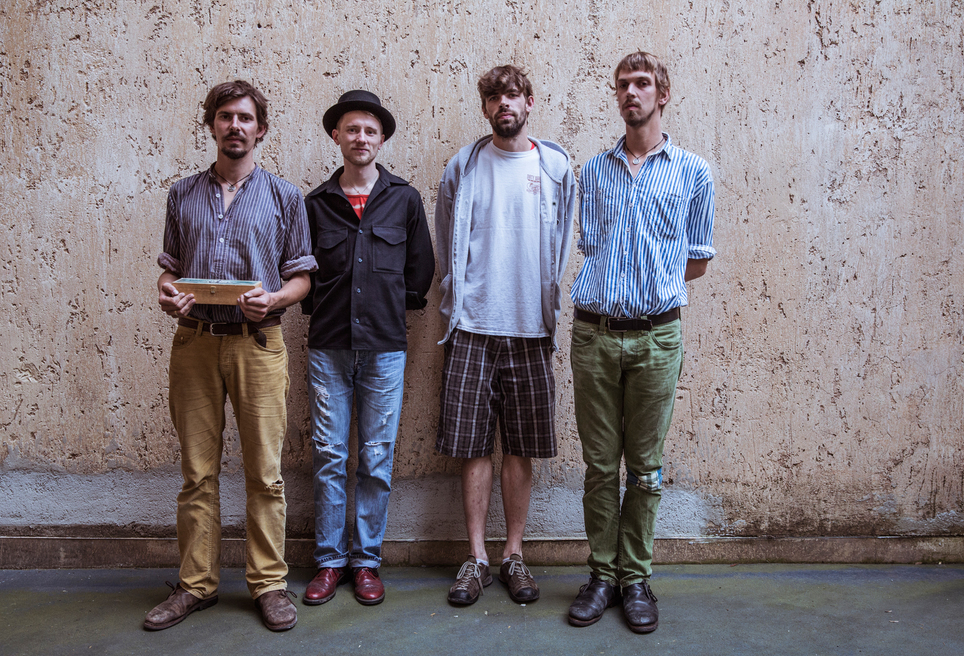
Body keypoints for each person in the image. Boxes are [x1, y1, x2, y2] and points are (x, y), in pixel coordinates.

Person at [145, 80, 317, 632]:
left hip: (258, 344)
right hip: (194, 342)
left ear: (260, 129)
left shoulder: (286, 197)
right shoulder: (182, 194)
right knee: (197, 473)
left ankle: (268, 584)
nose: (234, 126)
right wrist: (168, 292)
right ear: (212, 125)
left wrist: (275, 299)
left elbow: (302, 277)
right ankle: (196, 584)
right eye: (225, 116)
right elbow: (170, 269)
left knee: (265, 474)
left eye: (245, 118)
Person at [567, 51, 716, 633]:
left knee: (645, 469)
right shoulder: (592, 172)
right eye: (623, 85)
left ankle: (636, 578)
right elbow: (592, 249)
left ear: (663, 93)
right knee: (600, 466)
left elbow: (696, 260)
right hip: (595, 334)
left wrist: (651, 285)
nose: (631, 92)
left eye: (642, 83)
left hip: (657, 337)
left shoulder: (693, 172)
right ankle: (602, 575)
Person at [434, 65, 575, 606]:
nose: (503, 104)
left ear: (529, 102)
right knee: (472, 446)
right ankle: (476, 557)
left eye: (512, 95)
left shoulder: (555, 168)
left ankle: (514, 554)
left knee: (521, 447)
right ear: (485, 108)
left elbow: (564, 242)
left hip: (532, 329)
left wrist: (550, 307)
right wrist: (457, 299)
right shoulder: (464, 166)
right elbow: (446, 240)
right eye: (493, 97)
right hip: (471, 326)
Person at [301, 90, 434, 607]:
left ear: (381, 140)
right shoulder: (316, 204)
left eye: (370, 131)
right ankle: (330, 561)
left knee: (376, 457)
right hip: (328, 346)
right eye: (352, 129)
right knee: (329, 456)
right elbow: (302, 273)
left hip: (384, 347)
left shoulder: (404, 199)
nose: (361, 138)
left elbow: (420, 270)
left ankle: (366, 562)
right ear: (336, 136)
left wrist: (388, 306)